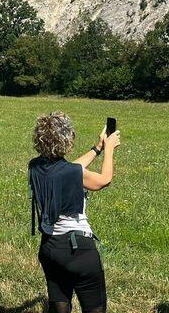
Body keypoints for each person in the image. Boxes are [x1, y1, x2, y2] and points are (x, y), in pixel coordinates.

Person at [29, 112, 120, 313]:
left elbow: (70, 168)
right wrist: (110, 150)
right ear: (67, 139)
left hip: (50, 248)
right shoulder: (70, 173)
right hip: (78, 251)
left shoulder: (35, 166)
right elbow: (104, 180)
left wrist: (97, 148)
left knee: (59, 305)